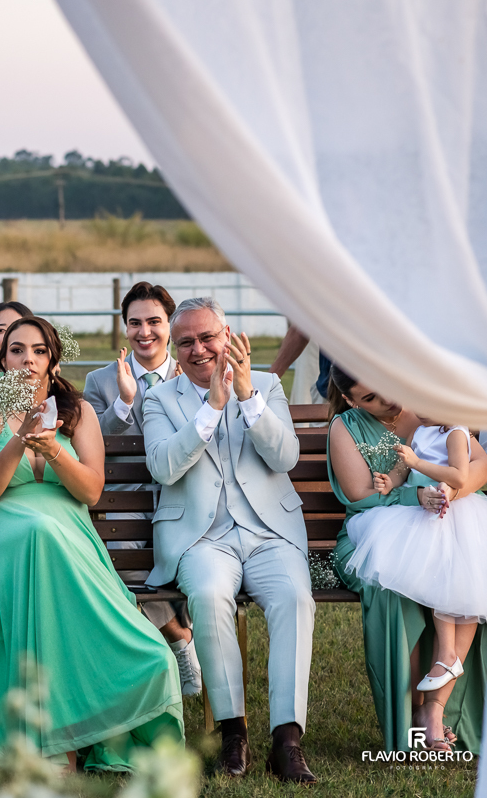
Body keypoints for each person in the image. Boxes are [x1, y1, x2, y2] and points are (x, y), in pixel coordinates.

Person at [0, 317, 183, 773]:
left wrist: (54, 449)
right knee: (38, 532)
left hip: (69, 535)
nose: (27, 360)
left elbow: (92, 492)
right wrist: (19, 441)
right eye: (16, 350)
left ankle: (70, 731)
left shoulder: (77, 413)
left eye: (38, 351)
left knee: (152, 657)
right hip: (5, 534)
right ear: (2, 358)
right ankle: (50, 741)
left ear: (53, 361)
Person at [141, 297, 316, 783]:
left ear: (227, 335)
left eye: (207, 337)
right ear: (176, 351)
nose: (199, 349)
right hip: (201, 537)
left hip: (270, 533)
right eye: (186, 342)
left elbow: (285, 458)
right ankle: (233, 732)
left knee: (295, 598)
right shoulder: (160, 399)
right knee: (210, 594)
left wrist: (245, 398)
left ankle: (287, 739)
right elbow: (163, 465)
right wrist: (212, 409)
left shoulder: (265, 384)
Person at [325, 366, 487, 755]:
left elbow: (479, 465)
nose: (386, 401)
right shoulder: (344, 427)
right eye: (369, 398)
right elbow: (359, 496)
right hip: (373, 532)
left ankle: (436, 709)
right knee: (394, 585)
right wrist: (415, 496)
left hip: (442, 517)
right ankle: (410, 713)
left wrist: (450, 491)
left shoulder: (428, 407)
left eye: (384, 388)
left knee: (469, 572)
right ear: (351, 400)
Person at [83, 282, 199, 696]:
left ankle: (177, 639)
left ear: (169, 325)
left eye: (154, 321)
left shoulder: (194, 371)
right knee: (125, 560)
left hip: (185, 497)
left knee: (191, 560)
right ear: (124, 327)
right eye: (135, 323)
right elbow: (88, 439)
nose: (144, 332)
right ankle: (178, 637)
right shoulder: (101, 381)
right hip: (126, 501)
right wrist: (123, 405)